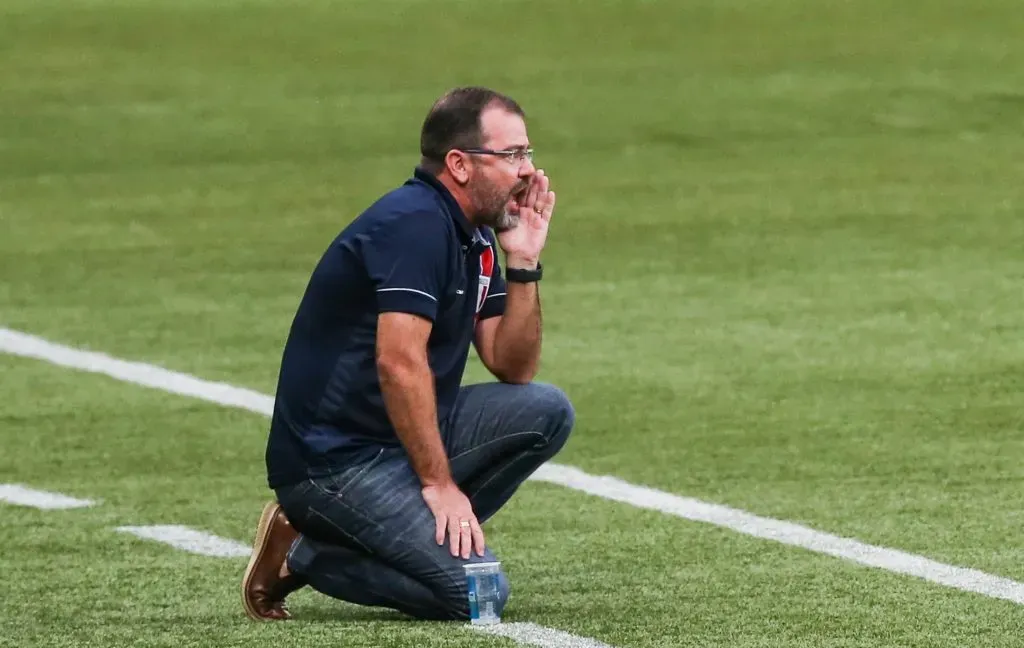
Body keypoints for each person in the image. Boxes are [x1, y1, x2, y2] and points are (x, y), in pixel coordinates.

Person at [241, 86, 575, 623]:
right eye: (511, 155)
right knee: (478, 595)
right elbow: (398, 362)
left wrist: (525, 262)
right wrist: (439, 486)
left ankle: (387, 537)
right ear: (460, 165)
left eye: (527, 153)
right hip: (335, 464)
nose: (528, 172)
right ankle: (307, 551)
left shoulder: (477, 237)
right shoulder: (414, 226)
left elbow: (514, 366)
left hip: (399, 441)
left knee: (547, 409)